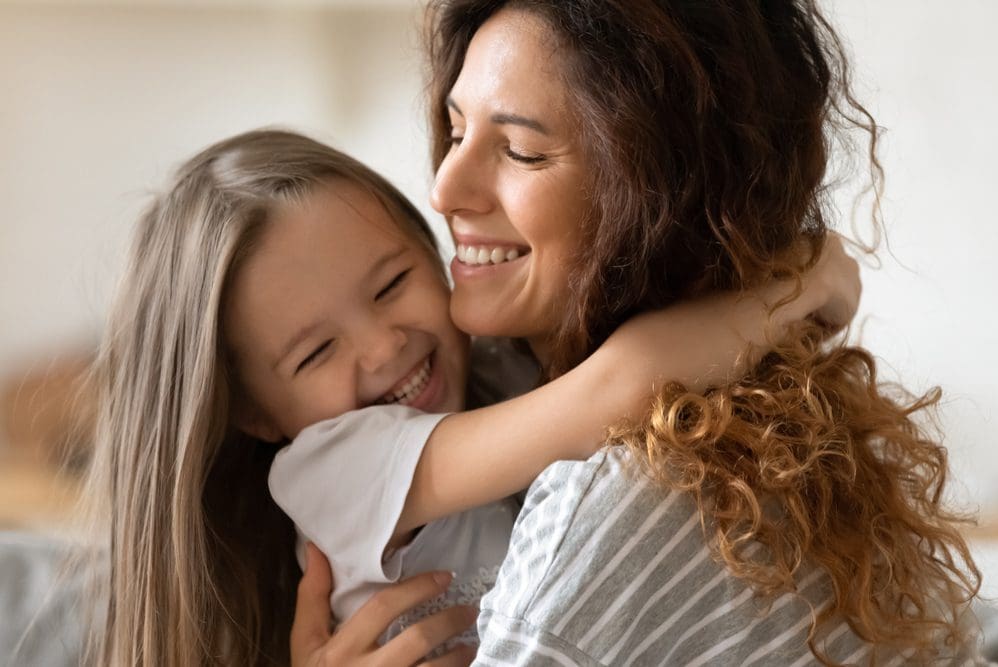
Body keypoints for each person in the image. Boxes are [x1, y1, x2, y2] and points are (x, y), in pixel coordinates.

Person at [292, 0, 986, 664]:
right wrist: (804, 281)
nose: (444, 187)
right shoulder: (748, 402)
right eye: (454, 129)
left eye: (523, 151)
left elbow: (619, 384)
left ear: (658, 197)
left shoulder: (612, 504)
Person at [81, 128, 856, 667]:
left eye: (392, 285)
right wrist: (808, 279)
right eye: (316, 351)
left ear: (437, 254)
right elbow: (618, 387)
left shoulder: (489, 377)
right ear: (254, 414)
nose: (385, 346)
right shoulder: (328, 468)